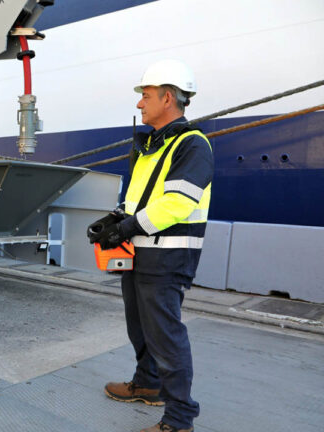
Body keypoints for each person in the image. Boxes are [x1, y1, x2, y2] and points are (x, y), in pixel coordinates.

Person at [87, 59, 213, 432]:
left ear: (168, 98)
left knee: (165, 334)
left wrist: (125, 227)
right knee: (139, 325)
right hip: (140, 251)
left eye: (145, 96)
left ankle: (179, 420)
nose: (140, 104)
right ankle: (147, 384)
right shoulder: (154, 146)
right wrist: (116, 220)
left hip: (168, 254)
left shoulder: (192, 144)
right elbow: (141, 200)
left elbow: (177, 203)